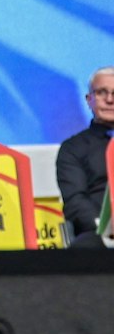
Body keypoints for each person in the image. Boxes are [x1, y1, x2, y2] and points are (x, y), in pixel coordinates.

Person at [55, 67, 114, 247]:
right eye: (102, 92)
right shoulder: (72, 148)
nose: (110, 100)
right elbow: (75, 201)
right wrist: (106, 228)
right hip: (99, 233)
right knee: (85, 248)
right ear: (89, 100)